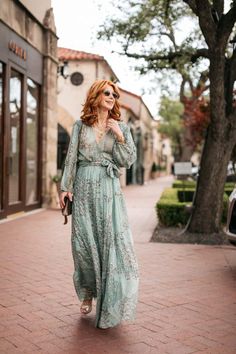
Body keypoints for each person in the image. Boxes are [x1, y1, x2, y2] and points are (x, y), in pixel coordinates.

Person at [59, 79, 139, 329]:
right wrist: (64, 187)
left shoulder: (122, 127)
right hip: (83, 188)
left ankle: (109, 298)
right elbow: (71, 157)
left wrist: (118, 135)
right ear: (96, 95)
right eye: (107, 93)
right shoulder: (81, 125)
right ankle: (87, 292)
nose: (112, 97)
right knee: (83, 243)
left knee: (109, 243)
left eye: (114, 94)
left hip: (109, 189)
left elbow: (128, 161)